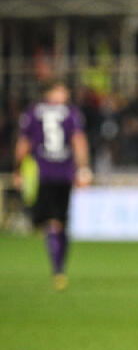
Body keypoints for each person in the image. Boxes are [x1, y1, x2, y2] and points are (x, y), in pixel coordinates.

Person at [13, 81, 93, 290]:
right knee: (59, 221)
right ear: (52, 92)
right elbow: (79, 141)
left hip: (41, 175)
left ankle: (57, 268)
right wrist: (83, 168)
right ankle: (59, 269)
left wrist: (18, 169)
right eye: (62, 89)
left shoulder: (31, 112)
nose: (65, 93)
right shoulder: (71, 113)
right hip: (63, 174)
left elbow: (23, 144)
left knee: (51, 222)